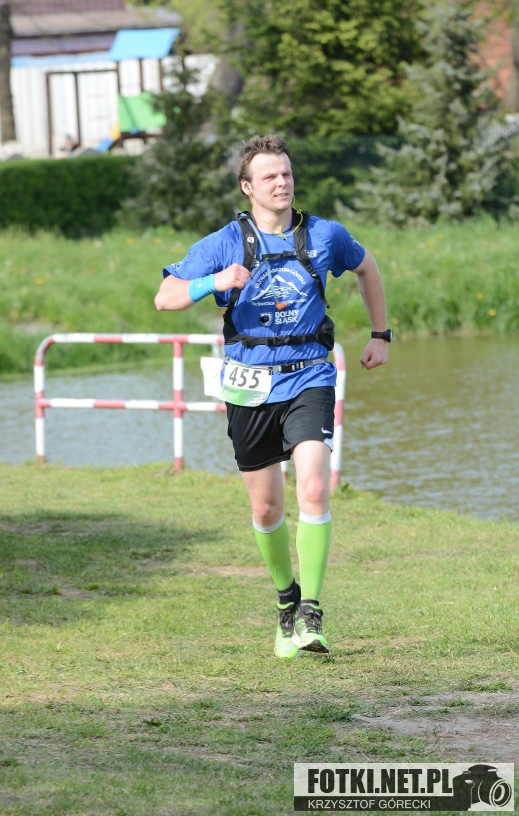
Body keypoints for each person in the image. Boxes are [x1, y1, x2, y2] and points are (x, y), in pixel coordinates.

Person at [155, 134, 390, 659]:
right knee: (265, 507)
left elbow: (367, 267)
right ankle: (287, 600)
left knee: (314, 488)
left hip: (310, 376)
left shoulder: (324, 235)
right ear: (248, 187)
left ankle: (312, 612)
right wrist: (213, 281)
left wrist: (381, 335)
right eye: (269, 176)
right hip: (249, 384)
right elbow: (164, 298)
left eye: (286, 173)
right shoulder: (224, 243)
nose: (281, 183)